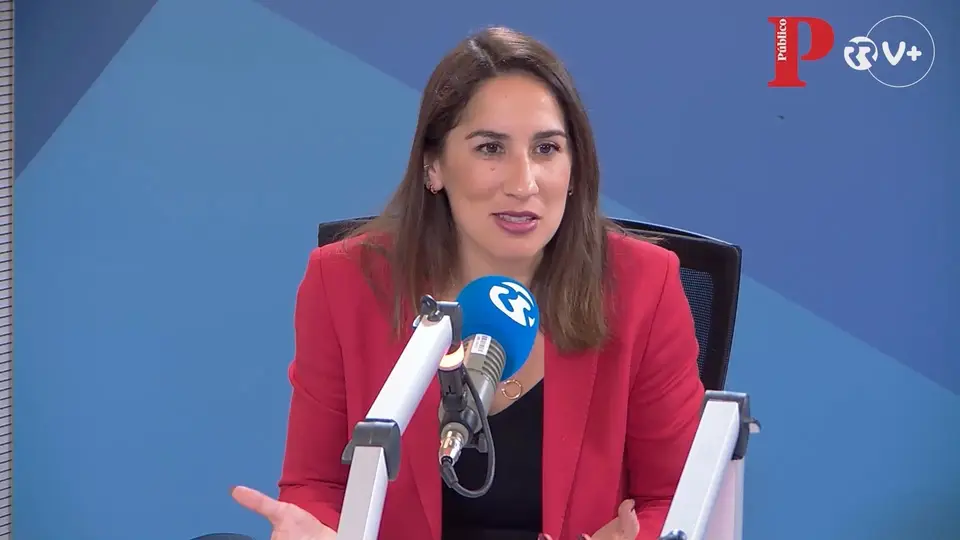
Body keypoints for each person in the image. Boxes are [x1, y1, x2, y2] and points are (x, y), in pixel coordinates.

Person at [231, 26, 705, 540]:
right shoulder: (344, 282)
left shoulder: (642, 286)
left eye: (546, 148)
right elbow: (317, 486)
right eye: (490, 148)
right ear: (434, 166)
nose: (523, 183)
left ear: (575, 169)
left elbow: (678, 497)